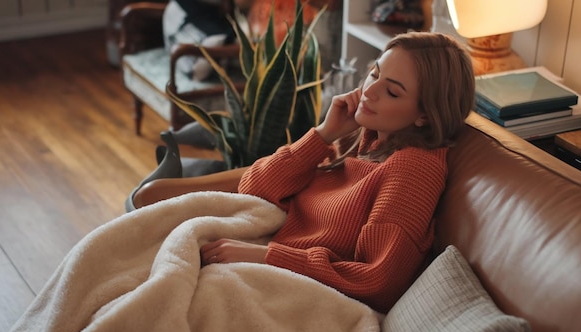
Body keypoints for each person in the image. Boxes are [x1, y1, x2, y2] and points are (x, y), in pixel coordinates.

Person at [200, 31, 475, 314]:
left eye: (392, 91)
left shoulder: (414, 168)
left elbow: (379, 281)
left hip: (301, 294)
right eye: (374, 74)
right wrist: (323, 134)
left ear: (425, 115)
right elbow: (254, 188)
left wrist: (267, 256)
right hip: (267, 262)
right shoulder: (361, 138)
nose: (369, 91)